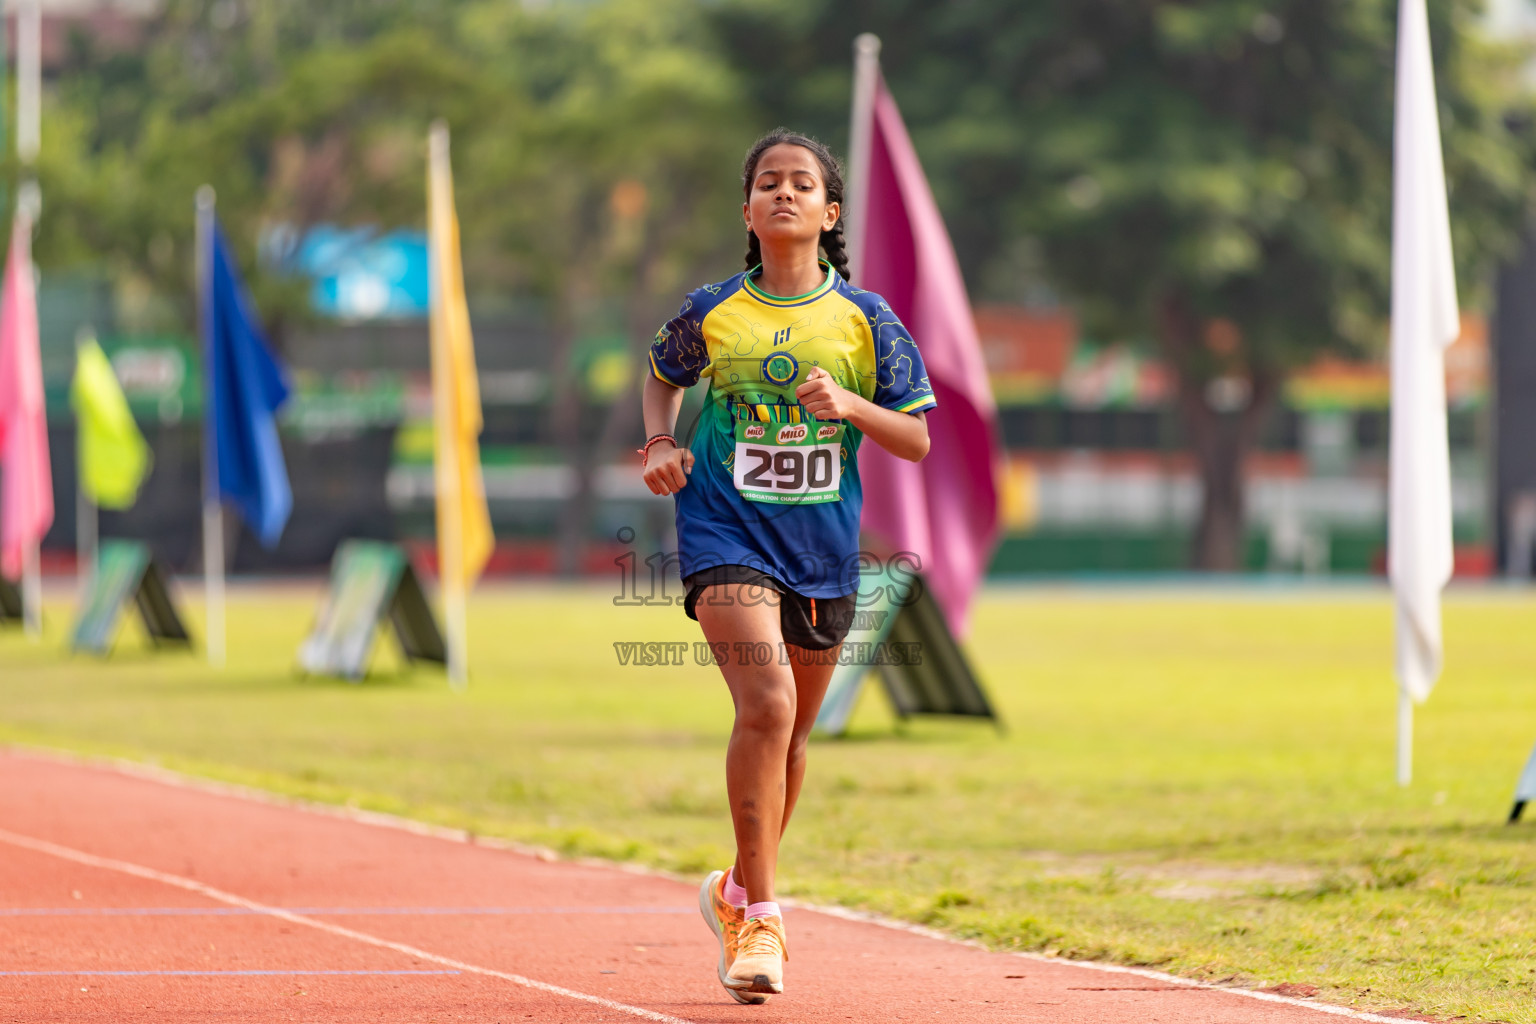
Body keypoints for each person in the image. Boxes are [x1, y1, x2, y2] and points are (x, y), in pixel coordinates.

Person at [640, 128, 935, 1003]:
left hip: (821, 548)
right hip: (725, 530)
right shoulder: (712, 310)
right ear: (748, 210)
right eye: (767, 182)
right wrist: (660, 438)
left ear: (828, 211)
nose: (783, 193)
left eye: (801, 183)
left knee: (793, 740)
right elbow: (662, 374)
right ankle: (764, 919)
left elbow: (916, 438)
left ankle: (733, 891)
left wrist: (846, 401)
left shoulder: (866, 321)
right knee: (764, 705)